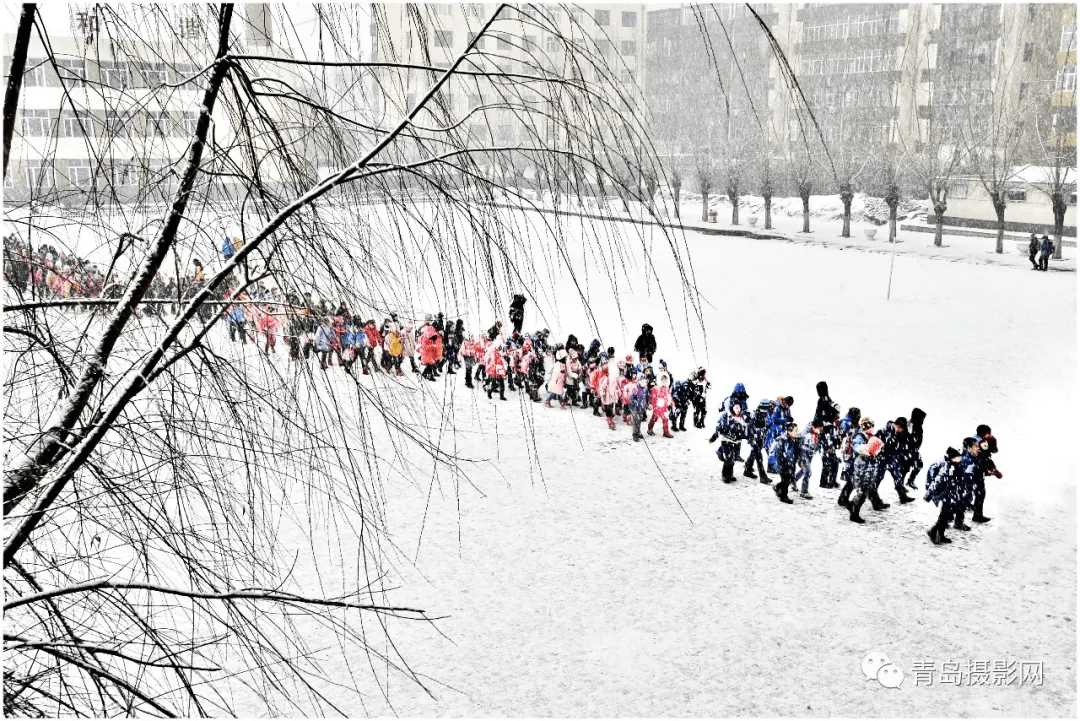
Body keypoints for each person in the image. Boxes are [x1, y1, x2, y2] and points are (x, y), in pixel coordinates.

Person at [924, 447, 963, 545]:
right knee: (946, 511)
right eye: (958, 457)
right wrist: (928, 495)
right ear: (953, 457)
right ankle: (935, 532)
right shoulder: (945, 466)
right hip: (938, 490)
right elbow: (937, 482)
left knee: (948, 511)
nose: (960, 459)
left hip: (945, 489)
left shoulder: (952, 464)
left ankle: (938, 532)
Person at [711, 401, 748, 482]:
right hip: (727, 440)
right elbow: (720, 427)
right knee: (729, 458)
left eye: (739, 407)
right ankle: (725, 475)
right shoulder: (727, 416)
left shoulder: (741, 417)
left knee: (733, 458)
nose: (738, 409)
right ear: (732, 407)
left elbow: (744, 430)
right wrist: (714, 437)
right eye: (736, 407)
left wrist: (745, 435)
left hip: (737, 442)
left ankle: (730, 474)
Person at [770, 422, 801, 504]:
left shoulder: (794, 439)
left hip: (790, 462)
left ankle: (777, 487)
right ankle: (784, 496)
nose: (797, 432)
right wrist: (782, 464)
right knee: (786, 478)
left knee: (789, 478)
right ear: (789, 431)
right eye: (795, 430)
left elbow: (797, 451)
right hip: (780, 462)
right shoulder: (783, 440)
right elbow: (779, 453)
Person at [743, 399, 773, 484]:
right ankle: (763, 476)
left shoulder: (765, 415)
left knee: (754, 453)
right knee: (759, 457)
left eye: (766, 408)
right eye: (763, 408)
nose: (764, 410)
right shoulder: (755, 415)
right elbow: (750, 428)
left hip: (760, 439)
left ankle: (748, 468)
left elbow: (767, 426)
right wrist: (753, 438)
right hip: (754, 439)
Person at [648, 373, 675, 438]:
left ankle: (666, 432)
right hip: (657, 407)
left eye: (665, 380)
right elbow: (653, 397)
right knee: (655, 418)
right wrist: (654, 405)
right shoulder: (656, 388)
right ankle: (650, 428)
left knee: (665, 419)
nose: (664, 382)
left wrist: (671, 403)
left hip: (664, 406)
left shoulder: (667, 388)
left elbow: (669, 396)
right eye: (663, 380)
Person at [628, 373, 650, 442]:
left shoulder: (645, 389)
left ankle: (638, 432)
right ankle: (635, 433)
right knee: (635, 421)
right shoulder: (636, 388)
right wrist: (634, 402)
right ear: (639, 381)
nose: (644, 383)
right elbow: (631, 397)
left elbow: (647, 397)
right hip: (635, 408)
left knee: (640, 420)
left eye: (645, 381)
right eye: (642, 381)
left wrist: (647, 403)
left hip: (642, 407)